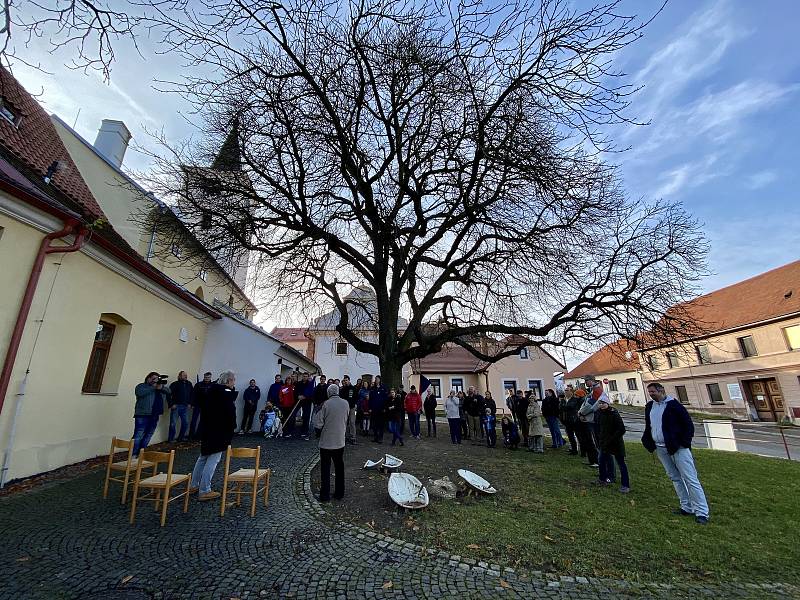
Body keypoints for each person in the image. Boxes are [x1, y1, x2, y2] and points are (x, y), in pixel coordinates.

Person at [642, 382, 709, 524]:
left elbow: (688, 426)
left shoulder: (674, 406)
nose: (651, 394)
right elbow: (650, 425)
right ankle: (686, 506)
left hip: (678, 448)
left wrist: (683, 443)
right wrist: (648, 440)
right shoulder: (650, 406)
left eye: (653, 391)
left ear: (661, 391)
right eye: (649, 392)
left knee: (690, 478)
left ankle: (702, 511)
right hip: (660, 447)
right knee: (674, 477)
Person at [190, 370, 237, 501]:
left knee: (203, 457)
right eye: (233, 381)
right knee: (213, 459)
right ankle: (204, 490)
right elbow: (230, 412)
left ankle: (194, 485)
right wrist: (232, 427)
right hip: (219, 431)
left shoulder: (211, 391)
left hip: (207, 429)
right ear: (228, 381)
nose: (234, 383)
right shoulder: (225, 393)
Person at [317, 383, 350, 502]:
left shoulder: (325, 404)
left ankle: (325, 495)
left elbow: (319, 424)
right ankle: (339, 493)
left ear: (329, 393)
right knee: (339, 467)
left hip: (326, 442)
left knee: (325, 469)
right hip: (340, 441)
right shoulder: (346, 403)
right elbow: (346, 420)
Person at [580, 379, 614, 483]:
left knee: (603, 450)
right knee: (600, 448)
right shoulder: (592, 393)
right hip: (594, 422)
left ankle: (609, 475)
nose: (591, 386)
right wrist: (581, 413)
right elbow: (587, 404)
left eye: (594, 385)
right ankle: (605, 473)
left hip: (597, 423)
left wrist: (582, 413)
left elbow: (591, 407)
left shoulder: (598, 394)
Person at [596, 397, 630, 493]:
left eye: (603, 403)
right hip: (604, 442)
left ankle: (625, 485)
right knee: (601, 461)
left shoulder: (614, 413)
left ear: (607, 403)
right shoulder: (599, 413)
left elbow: (621, 429)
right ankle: (603, 479)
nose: (601, 405)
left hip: (615, 442)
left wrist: (612, 439)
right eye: (600, 403)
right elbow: (599, 427)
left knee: (621, 463)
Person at [133, 372, 169, 456]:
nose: (156, 380)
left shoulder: (159, 388)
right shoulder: (141, 386)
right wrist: (153, 387)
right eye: (154, 378)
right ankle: (133, 454)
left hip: (154, 415)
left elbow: (169, 391)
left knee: (148, 434)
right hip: (142, 414)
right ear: (148, 378)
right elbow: (139, 393)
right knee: (138, 435)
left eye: (157, 379)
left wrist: (161, 387)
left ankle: (140, 453)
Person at [574, 388, 599, 466]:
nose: (575, 396)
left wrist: (580, 413)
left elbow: (587, 408)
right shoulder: (586, 399)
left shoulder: (589, 399)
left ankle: (595, 461)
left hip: (586, 422)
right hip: (583, 422)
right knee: (587, 441)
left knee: (590, 442)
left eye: (576, 395)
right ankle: (591, 460)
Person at [168, 371, 193, 442]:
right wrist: (171, 404)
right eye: (184, 375)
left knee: (185, 423)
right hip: (176, 406)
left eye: (186, 375)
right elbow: (168, 394)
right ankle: (171, 439)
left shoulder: (189, 384)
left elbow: (192, 394)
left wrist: (190, 403)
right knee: (173, 424)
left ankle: (180, 438)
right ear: (179, 376)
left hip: (185, 407)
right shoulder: (175, 384)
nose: (185, 376)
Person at [190, 372, 213, 440]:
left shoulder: (212, 385)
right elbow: (193, 395)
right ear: (204, 377)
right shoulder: (198, 384)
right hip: (197, 405)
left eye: (208, 377)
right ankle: (191, 436)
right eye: (206, 377)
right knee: (194, 420)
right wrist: (192, 404)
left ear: (210, 377)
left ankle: (198, 436)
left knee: (202, 421)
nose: (207, 379)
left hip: (206, 406)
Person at [561, 387, 581, 455]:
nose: (565, 392)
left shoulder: (575, 399)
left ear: (571, 392)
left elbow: (570, 406)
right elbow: (560, 408)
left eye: (567, 390)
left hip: (574, 420)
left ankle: (583, 450)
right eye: (565, 390)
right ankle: (573, 450)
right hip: (566, 420)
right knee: (570, 436)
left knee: (578, 436)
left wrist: (565, 407)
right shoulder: (563, 400)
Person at [339, 375, 358, 444]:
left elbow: (356, 397)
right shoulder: (343, 389)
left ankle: (353, 437)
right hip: (344, 408)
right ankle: (343, 437)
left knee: (352, 422)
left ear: (349, 380)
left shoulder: (353, 388)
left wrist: (355, 405)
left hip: (352, 408)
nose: (346, 382)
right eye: (345, 380)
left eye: (347, 380)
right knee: (344, 423)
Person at [369, 376, 388, 443]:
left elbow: (386, 399)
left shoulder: (383, 388)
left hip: (381, 409)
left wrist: (384, 408)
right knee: (374, 424)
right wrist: (370, 408)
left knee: (381, 424)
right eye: (375, 379)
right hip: (374, 409)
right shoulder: (372, 389)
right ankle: (375, 437)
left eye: (377, 379)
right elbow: (370, 399)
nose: (376, 380)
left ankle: (380, 437)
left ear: (380, 380)